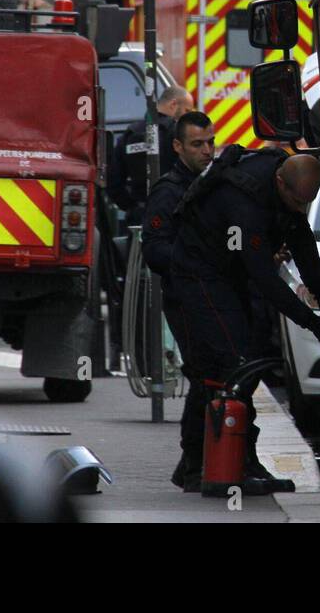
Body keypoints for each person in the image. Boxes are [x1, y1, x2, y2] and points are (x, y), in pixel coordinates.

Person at [168, 150, 320, 494]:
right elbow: (266, 281)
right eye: (296, 202)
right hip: (198, 275)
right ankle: (228, 464)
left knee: (236, 361)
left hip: (228, 274)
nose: (299, 211)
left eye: (305, 205)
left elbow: (306, 252)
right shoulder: (244, 204)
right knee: (232, 364)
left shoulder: (286, 193)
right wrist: (314, 324)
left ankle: (199, 464)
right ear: (280, 182)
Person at [140, 112, 216, 491]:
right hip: (184, 298)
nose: (206, 151)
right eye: (197, 145)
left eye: (209, 143)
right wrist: (195, 261)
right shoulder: (169, 191)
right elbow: (155, 250)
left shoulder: (211, 183)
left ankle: (195, 464)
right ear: (177, 147)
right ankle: (192, 462)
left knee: (212, 375)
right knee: (203, 374)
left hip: (209, 296)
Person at [109, 85, 194, 226]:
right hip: (172, 217)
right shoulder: (177, 134)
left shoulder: (130, 134)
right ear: (173, 104)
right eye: (187, 111)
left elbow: (113, 181)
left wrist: (132, 207)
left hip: (139, 218)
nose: (187, 117)